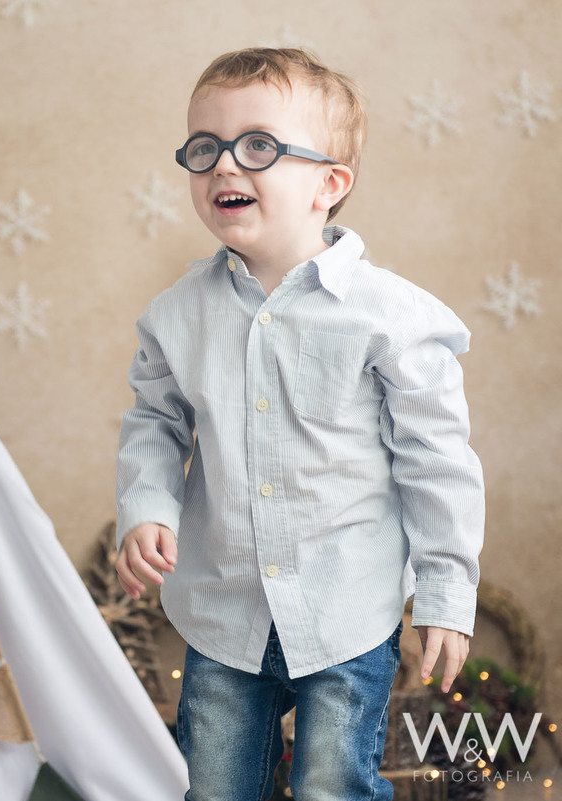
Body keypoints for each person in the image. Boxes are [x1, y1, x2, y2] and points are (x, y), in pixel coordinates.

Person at [114, 47, 484, 799]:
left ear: (329, 184)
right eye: (204, 148)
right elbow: (155, 420)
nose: (224, 166)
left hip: (347, 606)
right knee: (216, 785)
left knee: (332, 784)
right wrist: (146, 506)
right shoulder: (178, 314)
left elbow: (435, 459)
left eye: (258, 146)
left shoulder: (391, 318)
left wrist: (446, 593)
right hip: (223, 608)